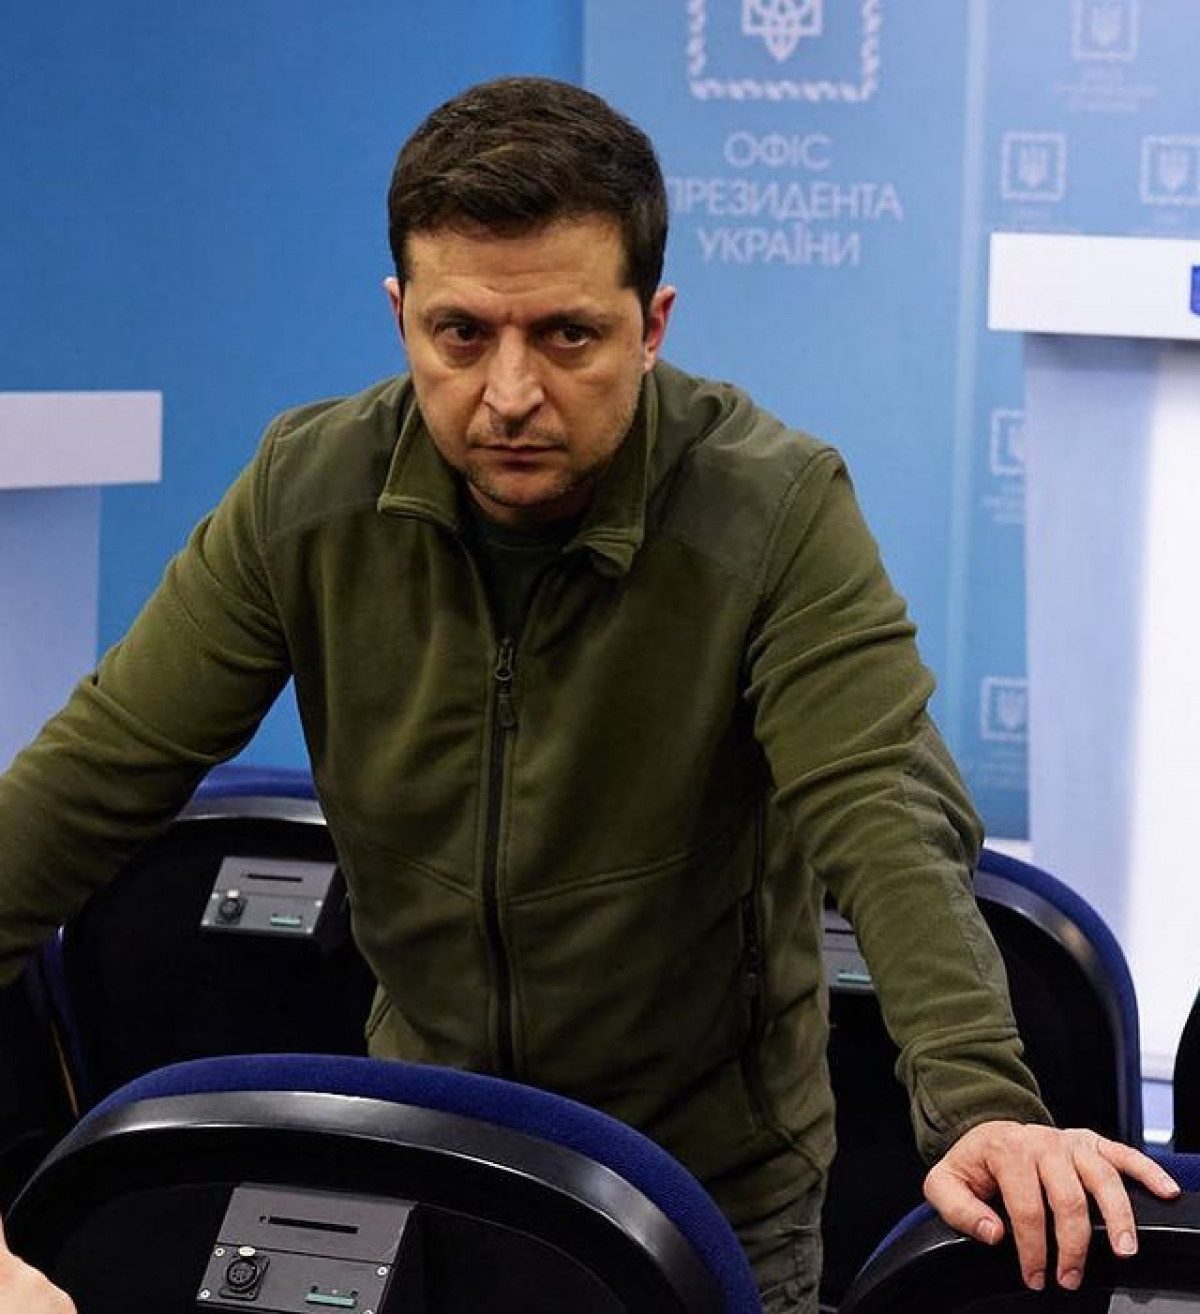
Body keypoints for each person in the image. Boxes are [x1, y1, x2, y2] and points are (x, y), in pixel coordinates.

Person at [0, 76, 1178, 1312]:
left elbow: (882, 808)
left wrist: (981, 1100)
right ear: (400, 317)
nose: (510, 393)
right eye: (461, 335)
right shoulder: (309, 494)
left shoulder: (771, 506)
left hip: (703, 1200)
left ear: (650, 325)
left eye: (567, 335)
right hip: (428, 1157)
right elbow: (90, 778)